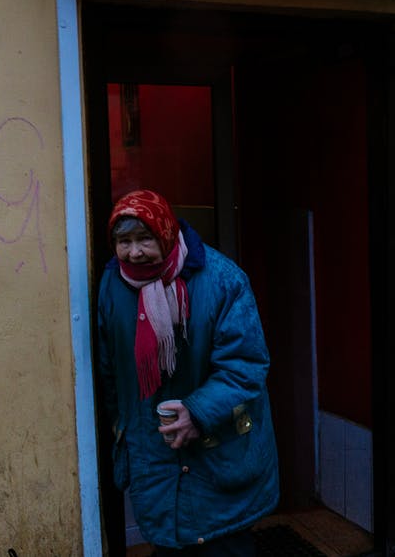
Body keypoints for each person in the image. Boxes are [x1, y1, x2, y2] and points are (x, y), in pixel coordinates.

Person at [97, 189, 279, 556]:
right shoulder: (113, 285)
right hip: (155, 458)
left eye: (144, 239)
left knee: (225, 546)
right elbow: (108, 370)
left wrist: (198, 412)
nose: (134, 252)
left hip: (220, 453)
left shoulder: (224, 280)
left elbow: (245, 367)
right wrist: (125, 427)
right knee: (168, 543)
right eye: (123, 241)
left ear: (165, 233)